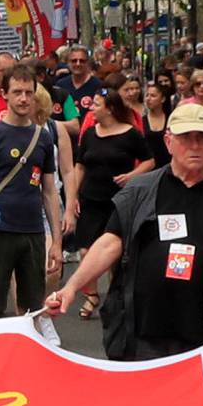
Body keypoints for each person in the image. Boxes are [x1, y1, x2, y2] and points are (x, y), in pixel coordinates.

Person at [45, 101, 203, 361]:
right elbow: (111, 242)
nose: (195, 145)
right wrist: (71, 287)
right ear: (168, 141)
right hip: (144, 326)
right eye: (185, 137)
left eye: (202, 137)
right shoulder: (139, 190)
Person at [0, 62, 64, 321]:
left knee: (31, 308)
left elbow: (49, 191)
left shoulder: (43, 138)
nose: (24, 98)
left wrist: (56, 241)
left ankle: (26, 358)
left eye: (29, 92)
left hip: (32, 233)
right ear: (5, 94)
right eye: (18, 92)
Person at [64, 78, 155, 319]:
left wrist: (132, 176)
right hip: (91, 199)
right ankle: (91, 294)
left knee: (114, 253)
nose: (91, 109)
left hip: (118, 201)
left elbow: (150, 161)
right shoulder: (91, 134)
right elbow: (79, 166)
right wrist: (73, 195)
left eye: (96, 104)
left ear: (110, 108)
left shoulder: (130, 134)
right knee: (85, 250)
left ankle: (116, 297)